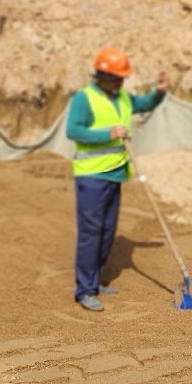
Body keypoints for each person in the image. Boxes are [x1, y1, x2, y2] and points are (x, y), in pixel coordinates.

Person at [67, 47, 167, 312]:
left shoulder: (122, 97)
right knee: (91, 234)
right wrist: (108, 133)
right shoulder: (84, 99)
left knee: (107, 232)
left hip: (115, 173)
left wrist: (158, 93)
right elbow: (73, 131)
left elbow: (143, 105)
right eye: (116, 78)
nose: (121, 82)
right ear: (102, 75)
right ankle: (85, 290)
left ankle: (96, 280)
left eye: (123, 78)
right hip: (92, 176)